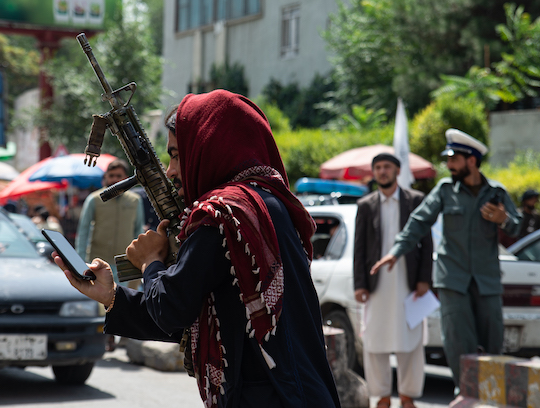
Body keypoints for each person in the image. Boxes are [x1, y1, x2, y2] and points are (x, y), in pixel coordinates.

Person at [57, 90, 340, 407]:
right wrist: (112, 296)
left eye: (177, 154)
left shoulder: (220, 215)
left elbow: (171, 308)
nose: (171, 170)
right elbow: (186, 311)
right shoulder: (267, 203)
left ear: (209, 147)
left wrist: (151, 261)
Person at [371, 128, 522, 389]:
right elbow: (419, 222)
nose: (448, 165)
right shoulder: (444, 190)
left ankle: (489, 396)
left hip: (487, 280)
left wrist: (504, 220)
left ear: (471, 161)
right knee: (458, 343)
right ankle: (464, 393)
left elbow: (517, 227)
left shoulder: (496, 193)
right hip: (453, 279)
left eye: (453, 159)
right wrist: (396, 251)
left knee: (493, 343)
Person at [354, 153, 433, 408]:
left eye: (387, 167)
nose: (382, 171)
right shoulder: (366, 205)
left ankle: (408, 396)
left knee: (410, 338)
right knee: (375, 340)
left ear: (398, 171)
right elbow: (359, 248)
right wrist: (360, 284)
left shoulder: (416, 201)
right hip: (376, 284)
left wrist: (424, 279)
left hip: (409, 284)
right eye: (377, 167)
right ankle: (383, 396)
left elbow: (427, 243)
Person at [76, 159, 145, 287]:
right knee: (98, 302)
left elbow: (138, 230)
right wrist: (80, 262)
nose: (114, 179)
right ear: (106, 177)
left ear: (126, 178)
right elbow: (83, 231)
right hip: (98, 261)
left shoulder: (135, 200)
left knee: (121, 301)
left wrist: (140, 259)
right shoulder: (94, 199)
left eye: (118, 176)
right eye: (111, 175)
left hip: (125, 263)